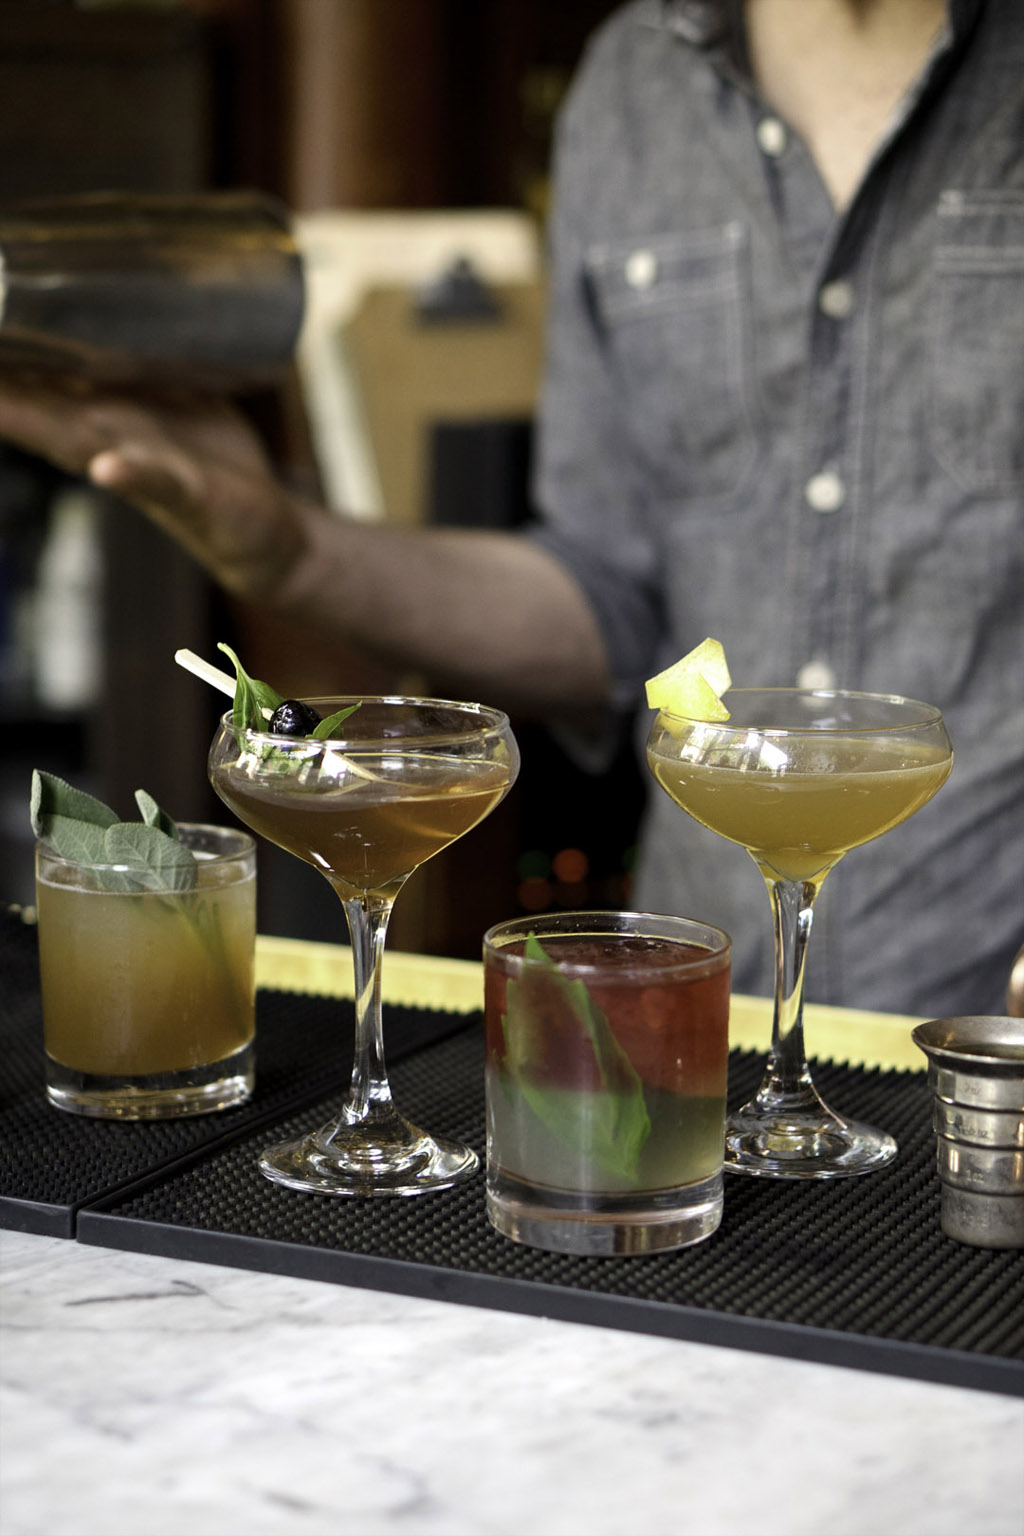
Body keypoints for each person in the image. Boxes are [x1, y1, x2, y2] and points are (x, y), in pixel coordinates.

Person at [0, 0, 1020, 1017]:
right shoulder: (634, 86)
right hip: (702, 1024)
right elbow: (606, 604)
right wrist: (285, 546)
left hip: (987, 1021)